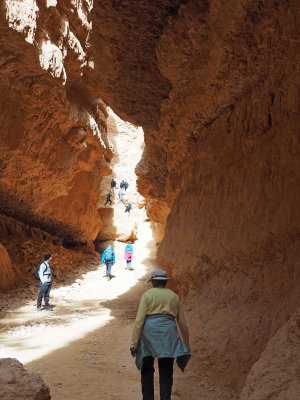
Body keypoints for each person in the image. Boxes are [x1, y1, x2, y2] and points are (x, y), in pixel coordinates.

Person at [130, 270, 191, 400]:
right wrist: (186, 344)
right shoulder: (173, 296)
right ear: (164, 282)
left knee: (147, 368)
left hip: (148, 334)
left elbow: (139, 321)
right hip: (168, 334)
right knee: (166, 370)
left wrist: (134, 343)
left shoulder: (147, 295)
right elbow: (182, 323)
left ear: (153, 282)